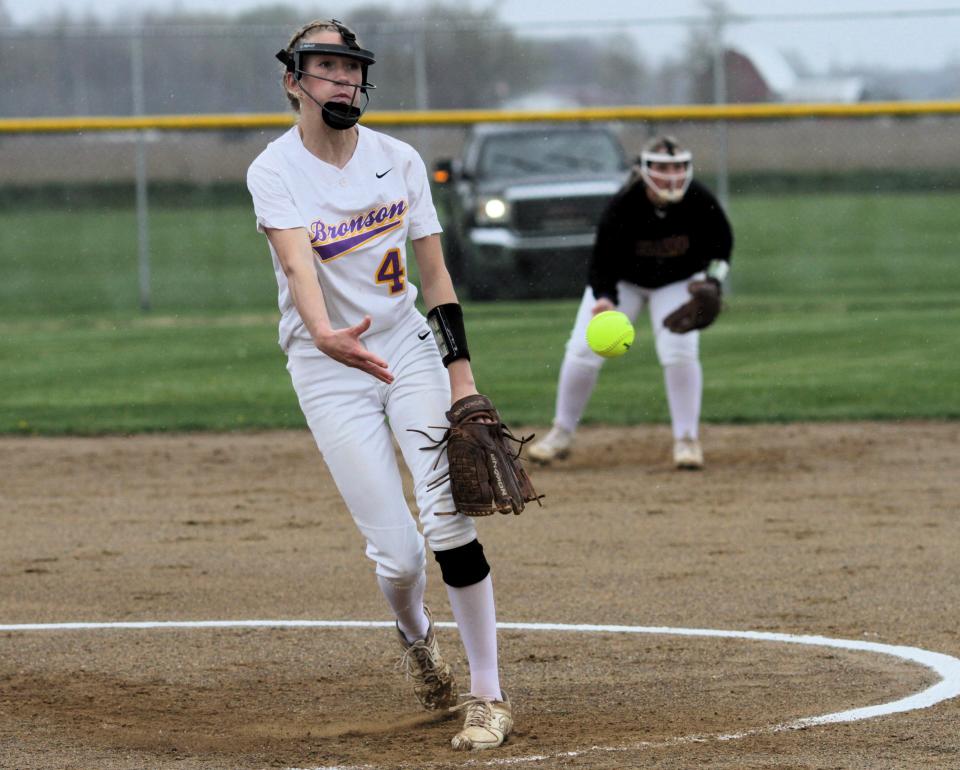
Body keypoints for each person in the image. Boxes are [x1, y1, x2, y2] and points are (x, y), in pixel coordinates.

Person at [246, 19, 512, 751]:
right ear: (292, 81)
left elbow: (435, 276)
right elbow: (300, 266)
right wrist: (325, 332)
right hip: (327, 365)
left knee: (448, 514)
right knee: (397, 556)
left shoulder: (398, 160)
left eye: (351, 67)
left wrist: (461, 375)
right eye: (324, 67)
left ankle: (487, 696)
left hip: (405, 346)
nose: (341, 80)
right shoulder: (274, 169)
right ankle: (416, 638)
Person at [528, 135, 734, 469]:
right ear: (644, 170)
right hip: (623, 283)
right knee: (582, 349)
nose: (672, 176)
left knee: (679, 349)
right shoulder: (624, 204)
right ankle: (561, 432)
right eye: (663, 168)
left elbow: (722, 245)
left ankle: (686, 439)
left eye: (679, 167)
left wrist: (712, 282)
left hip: (677, 280)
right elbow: (600, 262)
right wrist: (606, 299)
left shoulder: (699, 199)